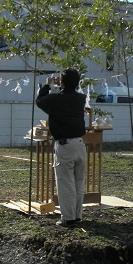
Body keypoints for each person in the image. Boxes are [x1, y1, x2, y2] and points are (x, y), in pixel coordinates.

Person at [36, 68, 87, 227]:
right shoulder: (81, 98)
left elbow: (40, 101)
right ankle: (77, 216)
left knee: (66, 183)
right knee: (78, 182)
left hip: (64, 146)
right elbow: (69, 94)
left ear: (62, 82)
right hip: (79, 144)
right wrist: (63, 84)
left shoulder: (55, 100)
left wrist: (48, 85)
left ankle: (68, 218)